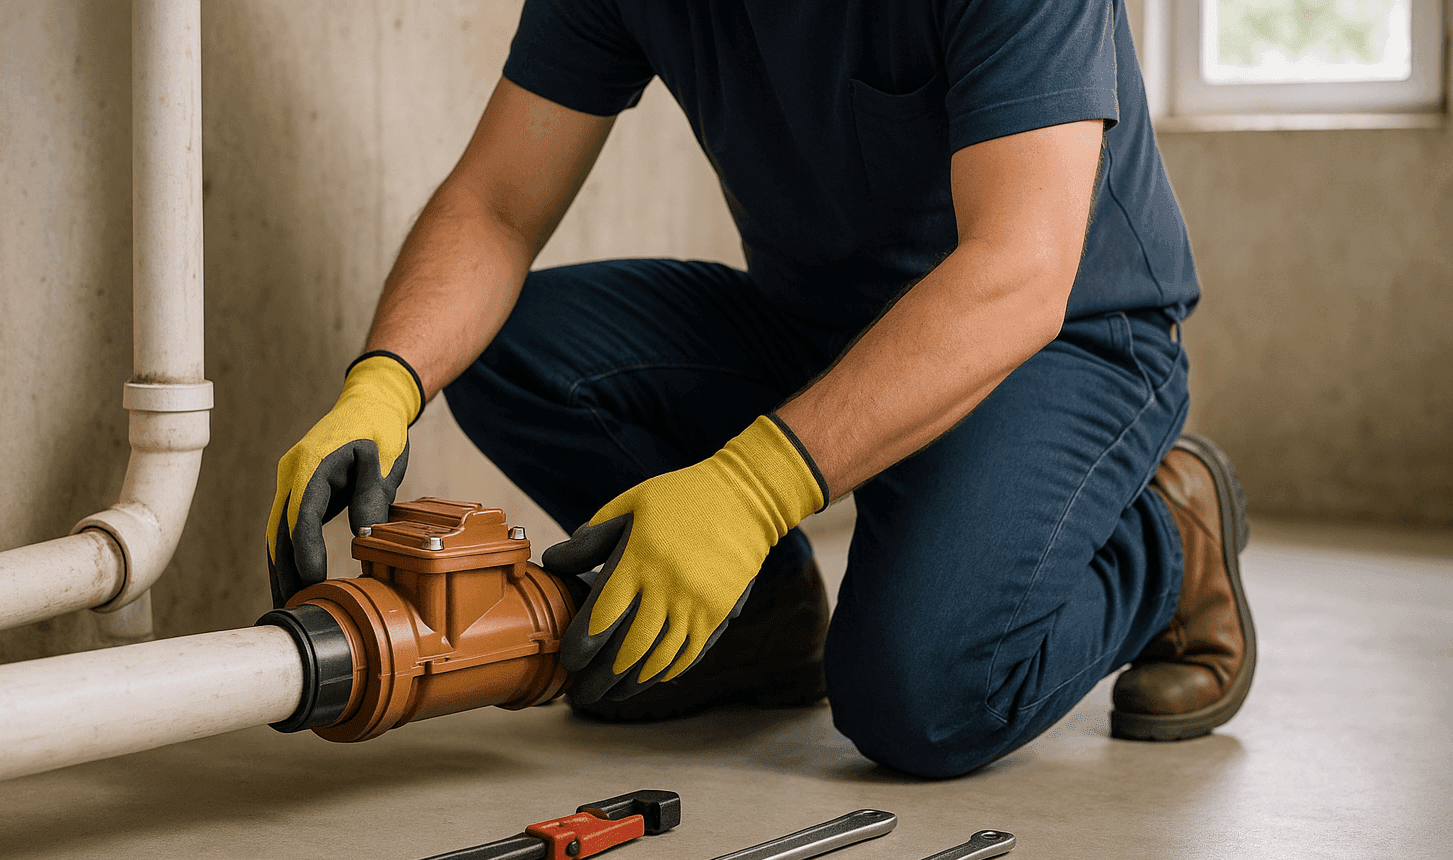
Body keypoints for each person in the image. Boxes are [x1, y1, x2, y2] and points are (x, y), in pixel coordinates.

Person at [266, 0, 1256, 778]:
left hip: (1064, 339)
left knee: (923, 695)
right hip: (818, 328)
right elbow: (495, 202)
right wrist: (385, 386)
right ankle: (758, 623)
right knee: (492, 344)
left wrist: (749, 489)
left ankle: (1171, 536)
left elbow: (1018, 274)